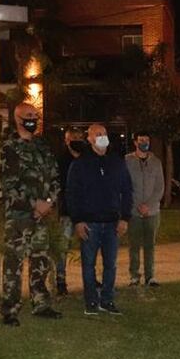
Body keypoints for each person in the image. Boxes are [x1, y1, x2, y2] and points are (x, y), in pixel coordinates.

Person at [0, 102, 63, 326]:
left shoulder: (42, 147)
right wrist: (33, 204)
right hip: (19, 216)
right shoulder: (9, 147)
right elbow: (8, 185)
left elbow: (55, 176)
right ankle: (10, 309)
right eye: (28, 115)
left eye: (36, 115)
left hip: (41, 216)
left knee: (40, 260)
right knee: (14, 263)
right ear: (17, 119)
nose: (33, 119)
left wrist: (48, 202)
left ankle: (41, 303)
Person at [67, 124, 132, 315]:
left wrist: (125, 218)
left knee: (110, 264)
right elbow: (72, 194)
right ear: (89, 139)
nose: (102, 136)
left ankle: (107, 300)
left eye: (104, 133)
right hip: (89, 223)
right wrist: (77, 220)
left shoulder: (117, 162)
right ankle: (91, 302)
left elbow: (127, 191)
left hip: (112, 222)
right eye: (97, 134)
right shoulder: (79, 165)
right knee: (89, 265)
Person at [124, 130, 164, 287]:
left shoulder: (156, 162)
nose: (144, 142)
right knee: (133, 246)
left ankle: (150, 276)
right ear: (135, 142)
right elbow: (124, 186)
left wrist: (149, 205)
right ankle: (134, 276)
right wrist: (135, 205)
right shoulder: (127, 161)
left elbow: (160, 187)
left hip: (152, 211)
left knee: (150, 245)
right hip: (133, 212)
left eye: (146, 140)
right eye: (141, 140)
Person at [54, 127, 85, 296]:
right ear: (66, 140)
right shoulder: (61, 159)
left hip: (85, 211)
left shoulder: (87, 158)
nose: (75, 140)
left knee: (88, 246)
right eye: (72, 138)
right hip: (67, 211)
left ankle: (89, 277)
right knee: (62, 247)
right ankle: (60, 280)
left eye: (79, 137)